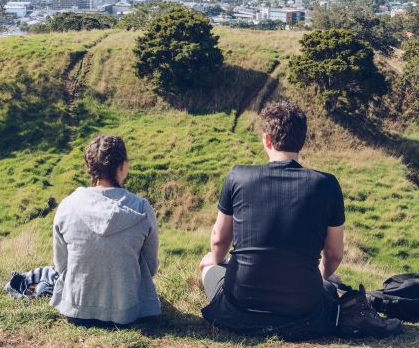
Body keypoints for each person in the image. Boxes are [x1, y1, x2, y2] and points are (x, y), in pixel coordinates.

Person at [199, 101, 400, 340]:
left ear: (266, 140)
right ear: (302, 140)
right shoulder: (326, 184)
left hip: (240, 306)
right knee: (331, 280)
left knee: (207, 263)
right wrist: (321, 276)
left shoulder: (238, 176)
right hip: (303, 309)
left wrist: (217, 261)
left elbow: (219, 240)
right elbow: (334, 255)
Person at [50, 134, 161, 325]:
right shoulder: (142, 209)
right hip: (128, 311)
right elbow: (150, 265)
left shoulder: (67, 206)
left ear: (90, 168)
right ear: (121, 166)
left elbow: (61, 265)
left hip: (77, 310)